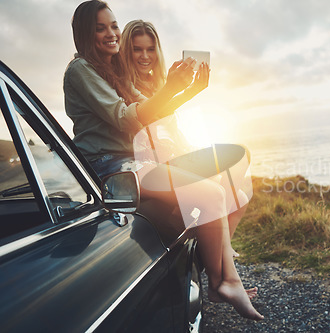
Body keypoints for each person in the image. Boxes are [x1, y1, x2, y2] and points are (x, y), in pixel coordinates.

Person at [64, 0, 263, 321]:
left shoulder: (111, 71)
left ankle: (220, 272)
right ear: (84, 34)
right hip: (111, 169)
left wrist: (187, 92)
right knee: (211, 194)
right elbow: (128, 119)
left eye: (114, 25)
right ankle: (223, 281)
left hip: (135, 164)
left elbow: (150, 110)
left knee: (227, 176)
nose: (111, 33)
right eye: (100, 28)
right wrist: (171, 88)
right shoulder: (80, 70)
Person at [121, 19, 248, 258]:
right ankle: (219, 263)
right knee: (220, 189)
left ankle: (216, 256)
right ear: (127, 51)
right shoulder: (125, 86)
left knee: (239, 197)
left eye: (150, 49)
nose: (144, 56)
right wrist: (185, 91)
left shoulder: (158, 84)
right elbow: (151, 117)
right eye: (137, 49)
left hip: (170, 159)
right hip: (148, 166)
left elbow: (171, 131)